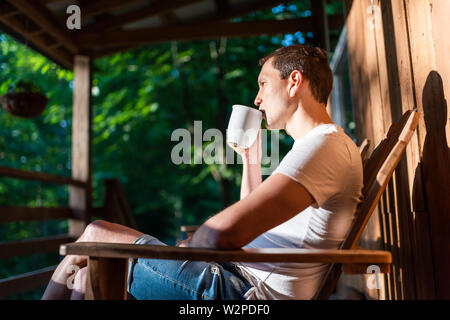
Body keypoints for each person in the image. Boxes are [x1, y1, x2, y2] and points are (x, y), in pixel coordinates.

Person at [42, 44, 363, 300]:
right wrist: (251, 158)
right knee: (86, 276)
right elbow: (253, 220)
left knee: (98, 233)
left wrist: (185, 249)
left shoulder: (323, 147)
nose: (257, 98)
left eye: (263, 83)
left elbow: (224, 234)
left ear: (294, 81)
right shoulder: (318, 146)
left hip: (244, 292)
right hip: (238, 277)